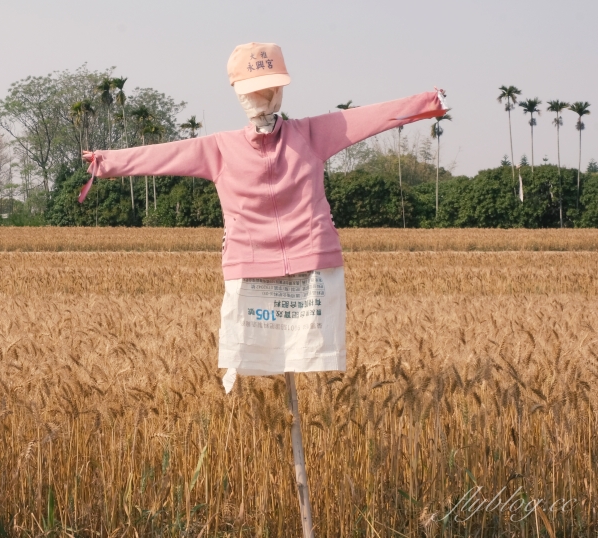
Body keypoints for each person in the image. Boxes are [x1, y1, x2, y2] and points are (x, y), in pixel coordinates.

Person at [79, 42, 448, 392]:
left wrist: (427, 102)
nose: (261, 98)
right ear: (238, 92)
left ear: (280, 92)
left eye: (269, 89)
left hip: (313, 271)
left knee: (307, 362)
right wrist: (106, 162)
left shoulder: (312, 134)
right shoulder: (219, 149)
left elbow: (370, 117)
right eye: (253, 90)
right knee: (256, 361)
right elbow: (163, 155)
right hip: (250, 271)